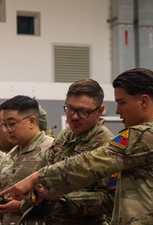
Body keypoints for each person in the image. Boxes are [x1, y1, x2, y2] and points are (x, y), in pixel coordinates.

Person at [0, 68, 153, 224]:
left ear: (144, 101)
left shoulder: (148, 134)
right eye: (70, 109)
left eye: (122, 102)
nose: (117, 110)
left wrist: (37, 178)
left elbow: (90, 163)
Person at [44, 78, 114, 224]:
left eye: (83, 111)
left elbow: (109, 199)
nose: (74, 117)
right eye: (70, 109)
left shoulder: (106, 143)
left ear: (99, 111)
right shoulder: (66, 134)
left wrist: (63, 198)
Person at [0, 95, 54, 225]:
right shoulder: (10, 155)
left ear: (32, 121)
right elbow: (6, 198)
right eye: (4, 125)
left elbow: (63, 198)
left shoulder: (52, 150)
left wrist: (23, 206)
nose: (7, 130)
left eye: (12, 124)